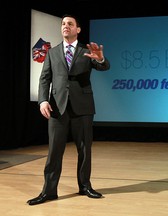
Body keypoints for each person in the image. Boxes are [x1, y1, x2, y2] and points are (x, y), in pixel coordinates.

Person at [27, 14, 110, 205]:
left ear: (78, 29)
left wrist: (101, 59)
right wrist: (42, 101)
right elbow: (44, 79)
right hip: (57, 107)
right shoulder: (53, 52)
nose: (65, 26)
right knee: (54, 151)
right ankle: (49, 191)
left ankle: (85, 186)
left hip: (83, 107)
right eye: (63, 24)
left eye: (70, 24)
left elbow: (104, 66)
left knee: (84, 150)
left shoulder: (86, 50)